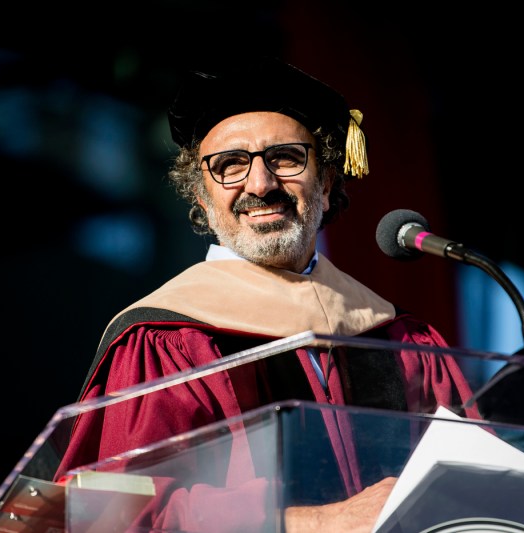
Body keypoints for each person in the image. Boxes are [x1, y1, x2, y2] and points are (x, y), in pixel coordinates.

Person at [55, 56, 480, 532]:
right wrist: (314, 523)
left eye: (285, 158)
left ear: (326, 185)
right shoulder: (164, 339)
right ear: (202, 200)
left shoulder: (399, 337)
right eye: (230, 165)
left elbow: (475, 490)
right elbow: (116, 516)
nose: (261, 184)